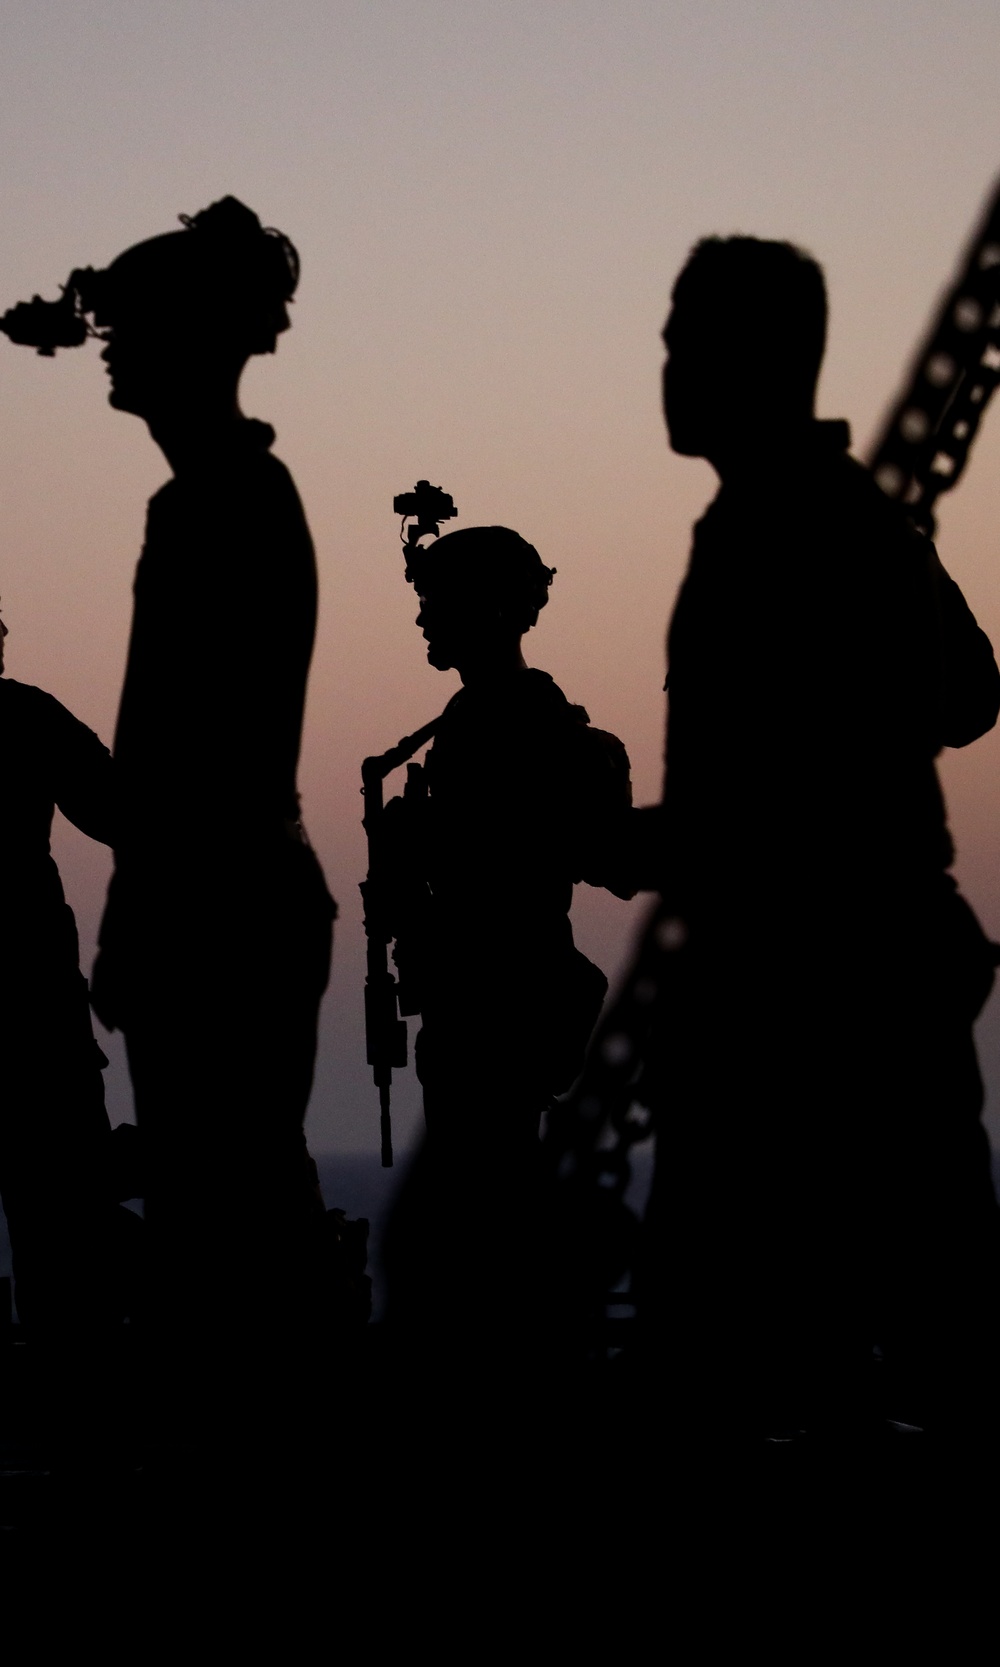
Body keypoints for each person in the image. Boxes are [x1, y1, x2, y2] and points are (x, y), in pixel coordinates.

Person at [642, 235, 1000, 1435]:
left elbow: (952, 704)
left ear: (759, 358)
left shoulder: (817, 524)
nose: (666, 364)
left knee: (892, 1343)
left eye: (685, 339)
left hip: (832, 997)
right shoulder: (772, 521)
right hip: (818, 986)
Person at [85, 198, 336, 1338]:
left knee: (223, 1230)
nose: (111, 348)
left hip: (216, 902)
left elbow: (194, 748)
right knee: (234, 1212)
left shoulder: (216, 505)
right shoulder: (219, 495)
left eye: (129, 328)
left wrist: (138, 905)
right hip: (233, 894)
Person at [380, 525, 633, 1356]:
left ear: (491, 608)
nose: (423, 620)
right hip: (468, 999)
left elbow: (579, 850)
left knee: (486, 1210)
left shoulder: (522, 717)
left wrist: (433, 844)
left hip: (501, 1001)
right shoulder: (470, 717)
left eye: (436, 602)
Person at [0, 600, 138, 1330]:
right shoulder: (23, 716)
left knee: (66, 1244)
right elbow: (126, 811)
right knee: (66, 1246)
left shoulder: (26, 717)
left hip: (38, 1015)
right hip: (35, 1020)